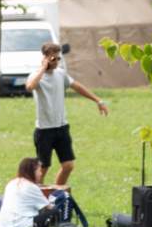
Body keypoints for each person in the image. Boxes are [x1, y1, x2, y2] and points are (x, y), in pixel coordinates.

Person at [26, 41, 107, 187]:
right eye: (53, 59)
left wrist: (98, 100)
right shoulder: (36, 76)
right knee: (42, 169)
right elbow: (30, 86)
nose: (56, 62)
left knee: (68, 166)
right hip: (44, 130)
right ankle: (36, 201)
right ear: (44, 57)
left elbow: (77, 87)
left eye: (58, 58)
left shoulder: (60, 74)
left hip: (62, 127)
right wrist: (43, 69)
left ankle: (58, 194)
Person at [0, 157, 50, 227]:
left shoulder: (11, 183)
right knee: (55, 212)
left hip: (1, 224)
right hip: (20, 225)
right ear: (32, 171)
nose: (41, 174)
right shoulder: (31, 187)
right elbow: (48, 207)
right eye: (39, 170)